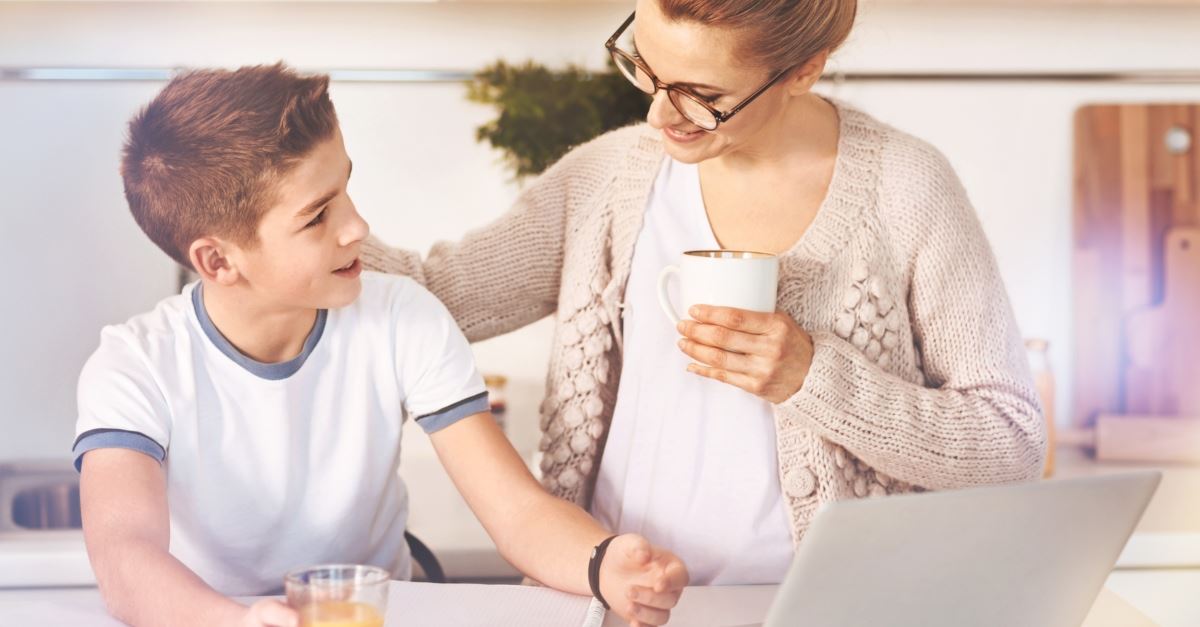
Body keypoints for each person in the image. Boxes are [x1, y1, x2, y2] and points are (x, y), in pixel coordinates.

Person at [362, 0, 1047, 586]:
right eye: (647, 69)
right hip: (613, 601)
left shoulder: (907, 188)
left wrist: (813, 376)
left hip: (823, 605)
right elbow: (428, 294)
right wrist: (281, 213)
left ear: (804, 69)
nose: (662, 114)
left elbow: (1010, 444)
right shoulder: (607, 179)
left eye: (704, 96)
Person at [74, 63, 687, 627]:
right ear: (217, 261)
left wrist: (602, 564)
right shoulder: (135, 365)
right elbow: (126, 559)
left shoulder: (402, 317)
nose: (357, 227)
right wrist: (238, 622)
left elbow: (516, 512)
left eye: (345, 189)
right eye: (317, 217)